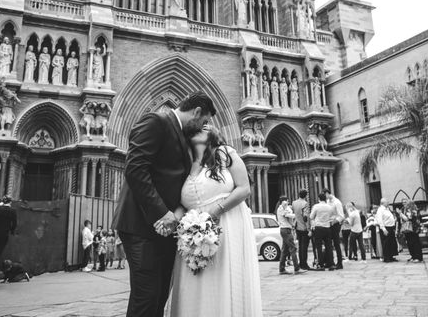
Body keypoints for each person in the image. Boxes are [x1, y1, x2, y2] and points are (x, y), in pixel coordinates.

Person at [112, 91, 216, 317]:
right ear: (196, 112)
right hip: (141, 226)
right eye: (204, 121)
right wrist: (162, 214)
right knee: (146, 298)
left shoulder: (181, 134)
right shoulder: (156, 121)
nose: (203, 127)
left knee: (159, 297)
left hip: (164, 231)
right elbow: (135, 169)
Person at [166, 126, 262, 316]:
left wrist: (216, 210)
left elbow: (244, 189)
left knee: (222, 281)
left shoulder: (225, 153)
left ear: (215, 133)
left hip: (226, 228)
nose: (203, 126)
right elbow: (182, 203)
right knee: (194, 285)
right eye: (198, 125)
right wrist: (173, 219)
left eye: (207, 124)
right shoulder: (185, 164)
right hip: (192, 235)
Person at [276, 195, 305, 274]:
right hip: (286, 229)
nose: (288, 203)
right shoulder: (282, 208)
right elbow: (287, 215)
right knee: (293, 248)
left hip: (285, 229)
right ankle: (297, 268)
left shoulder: (281, 208)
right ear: (283, 201)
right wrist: (295, 215)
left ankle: (282, 269)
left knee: (284, 250)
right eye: (287, 201)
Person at [309, 192, 336, 270]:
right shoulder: (329, 207)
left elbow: (311, 216)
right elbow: (332, 216)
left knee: (319, 247)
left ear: (319, 199)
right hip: (327, 227)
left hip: (318, 227)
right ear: (325, 199)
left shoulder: (316, 206)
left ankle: (321, 264)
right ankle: (331, 264)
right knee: (329, 246)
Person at [323, 189, 344, 269]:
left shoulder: (337, 202)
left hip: (335, 224)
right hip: (328, 224)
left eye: (325, 195)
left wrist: (334, 221)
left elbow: (341, 216)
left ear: (328, 193)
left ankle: (339, 263)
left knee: (336, 243)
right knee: (328, 243)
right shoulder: (328, 202)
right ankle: (330, 262)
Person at [292, 189, 311, 270]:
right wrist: (309, 229)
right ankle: (304, 263)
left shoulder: (294, 203)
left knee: (300, 246)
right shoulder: (305, 204)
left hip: (297, 226)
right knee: (304, 246)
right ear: (306, 195)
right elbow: (305, 217)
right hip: (304, 227)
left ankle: (301, 262)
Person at [376, 198, 398, 262]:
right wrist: (383, 229)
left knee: (391, 242)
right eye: (387, 202)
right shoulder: (380, 210)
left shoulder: (387, 209)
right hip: (386, 227)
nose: (388, 203)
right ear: (383, 203)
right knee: (386, 243)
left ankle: (391, 256)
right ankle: (386, 257)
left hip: (390, 227)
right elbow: (380, 220)